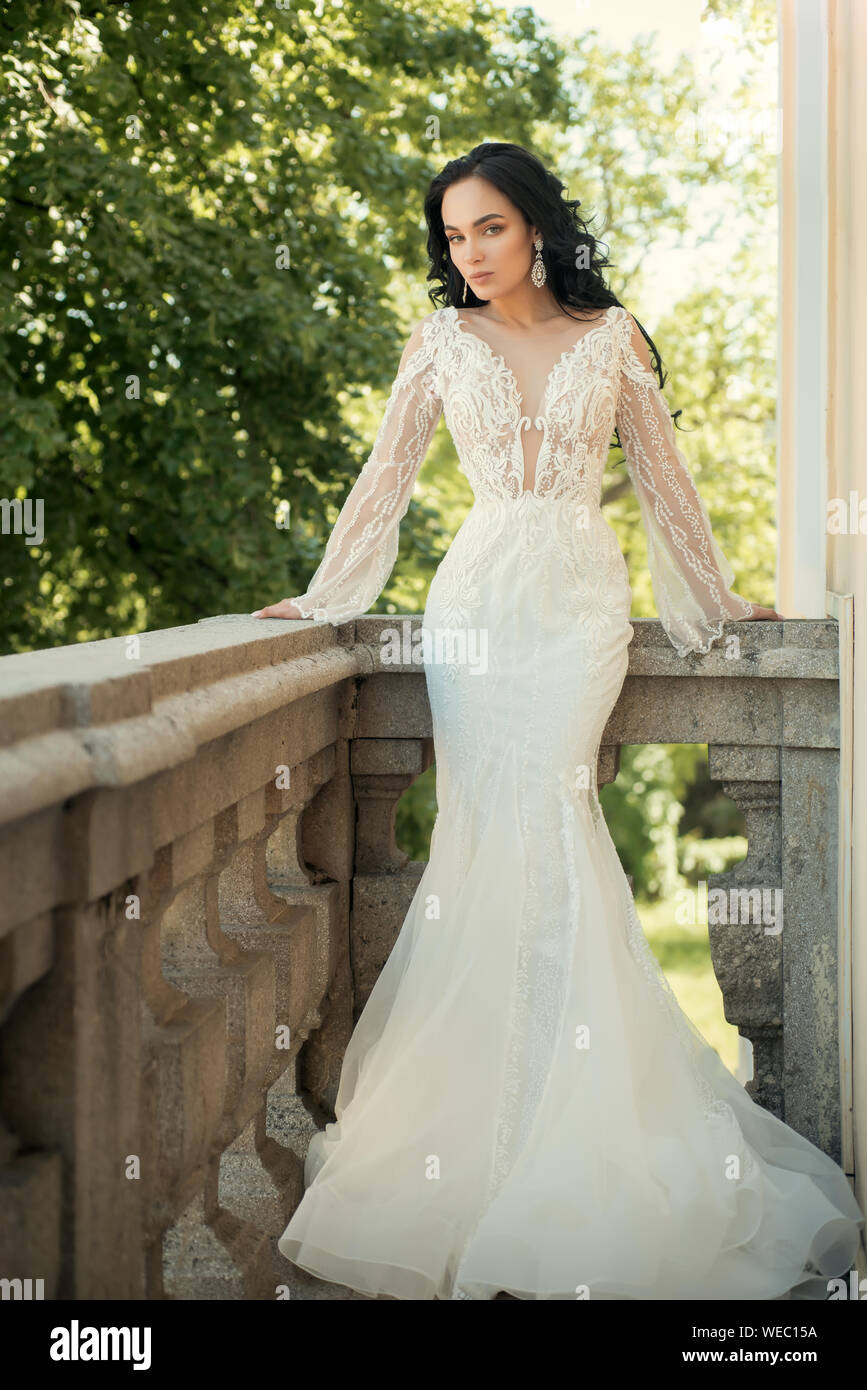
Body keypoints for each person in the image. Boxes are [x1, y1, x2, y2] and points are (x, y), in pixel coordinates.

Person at [252, 142, 862, 1300]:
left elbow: (669, 480)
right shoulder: (438, 343)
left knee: (557, 828)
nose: (469, 254)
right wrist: (328, 598)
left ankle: (570, 1137)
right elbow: (385, 478)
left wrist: (719, 604)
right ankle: (474, 1141)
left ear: (534, 225)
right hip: (477, 608)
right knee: (486, 838)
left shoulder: (614, 337)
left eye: (487, 228)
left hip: (578, 611)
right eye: (453, 237)